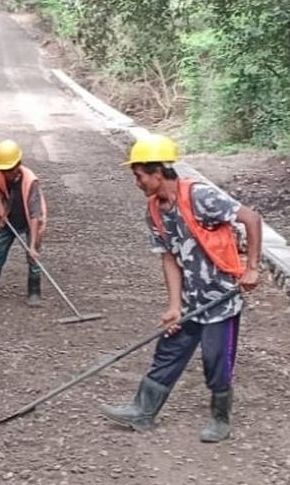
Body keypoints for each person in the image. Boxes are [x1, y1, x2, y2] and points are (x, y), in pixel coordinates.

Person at [100, 134, 263, 442]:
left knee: (217, 360)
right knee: (168, 351)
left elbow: (251, 219)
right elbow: (170, 260)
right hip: (191, 302)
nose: (137, 183)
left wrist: (252, 268)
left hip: (221, 301)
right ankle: (142, 411)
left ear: (157, 173)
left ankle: (220, 418)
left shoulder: (201, 197)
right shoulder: (154, 211)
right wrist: (174, 306)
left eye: (139, 176)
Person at [0, 139, 47, 307]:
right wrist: (0, 207)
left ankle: (34, 292)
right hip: (11, 216)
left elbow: (35, 216)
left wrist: (31, 246)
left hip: (33, 219)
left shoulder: (31, 182)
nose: (7, 173)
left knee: (33, 257)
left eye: (10, 170)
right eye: (3, 170)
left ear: (19, 164)